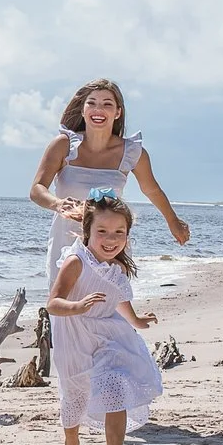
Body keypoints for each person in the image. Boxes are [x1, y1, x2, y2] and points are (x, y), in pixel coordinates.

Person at [28, 78, 191, 300]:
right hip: (67, 239)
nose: (98, 110)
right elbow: (37, 189)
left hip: (111, 242)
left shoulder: (132, 152)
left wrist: (173, 221)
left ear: (117, 113)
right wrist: (57, 204)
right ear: (83, 110)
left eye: (107, 104)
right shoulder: (64, 145)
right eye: (92, 103)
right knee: (65, 309)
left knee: (110, 309)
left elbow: (152, 190)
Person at [49, 188, 164, 445]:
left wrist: (136, 319)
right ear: (87, 230)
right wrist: (77, 306)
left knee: (117, 388)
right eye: (102, 231)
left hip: (108, 335)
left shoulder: (118, 265)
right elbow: (53, 302)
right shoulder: (76, 262)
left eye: (119, 232)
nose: (111, 239)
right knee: (75, 395)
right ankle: (71, 441)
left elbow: (117, 296)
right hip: (75, 334)